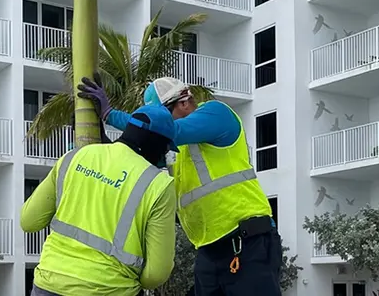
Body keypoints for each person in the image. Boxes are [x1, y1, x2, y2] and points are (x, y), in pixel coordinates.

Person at [79, 76, 282, 296]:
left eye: (162, 115)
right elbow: (134, 160)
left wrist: (110, 115)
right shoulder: (175, 150)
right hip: (208, 251)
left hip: (247, 243)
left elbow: (158, 130)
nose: (159, 122)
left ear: (184, 102)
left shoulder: (217, 114)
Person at [21, 104, 179, 296]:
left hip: (50, 284)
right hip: (112, 289)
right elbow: (157, 273)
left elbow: (28, 221)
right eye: (166, 150)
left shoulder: (74, 157)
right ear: (157, 144)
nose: (165, 157)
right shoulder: (159, 184)